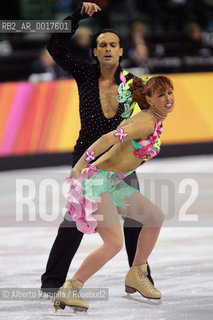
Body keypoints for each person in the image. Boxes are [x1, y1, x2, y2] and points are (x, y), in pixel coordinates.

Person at [41, 1, 153, 295]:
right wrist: (77, 15)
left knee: (134, 216)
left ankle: (139, 278)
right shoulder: (84, 74)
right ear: (94, 51)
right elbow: (54, 45)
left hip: (119, 159)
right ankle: (53, 281)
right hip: (86, 157)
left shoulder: (134, 84)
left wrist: (143, 149)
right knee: (75, 217)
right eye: (102, 44)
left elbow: (150, 119)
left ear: (120, 51)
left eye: (113, 45)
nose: (107, 49)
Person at [54, 75, 175, 311]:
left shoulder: (149, 118)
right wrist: (80, 164)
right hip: (98, 183)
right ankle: (70, 288)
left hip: (113, 182)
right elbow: (107, 138)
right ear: (149, 100)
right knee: (113, 244)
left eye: (170, 93)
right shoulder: (147, 122)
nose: (168, 99)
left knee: (153, 217)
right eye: (161, 95)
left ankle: (136, 274)